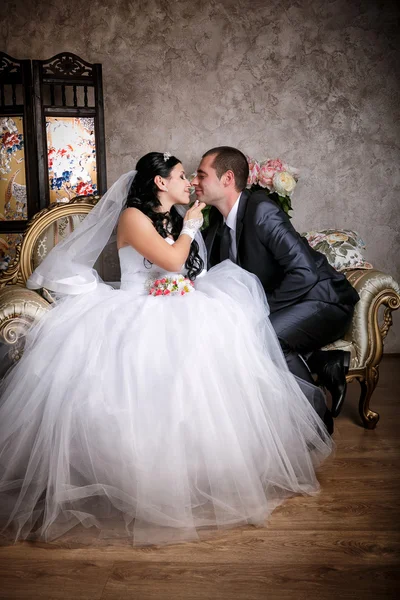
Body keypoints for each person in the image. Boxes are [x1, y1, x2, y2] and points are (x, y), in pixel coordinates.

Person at [0, 152, 332, 547]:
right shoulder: (133, 218)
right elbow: (173, 260)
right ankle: (141, 478)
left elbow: (191, 269)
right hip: (134, 311)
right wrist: (190, 229)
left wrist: (188, 245)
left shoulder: (174, 218)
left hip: (175, 303)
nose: (189, 181)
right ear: (160, 183)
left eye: (193, 176)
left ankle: (202, 470)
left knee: (212, 367)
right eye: (180, 176)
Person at [193, 147, 360, 428]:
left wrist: (257, 309)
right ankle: (326, 362)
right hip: (294, 304)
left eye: (201, 175)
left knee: (263, 335)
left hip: (325, 299)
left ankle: (318, 423)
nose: (194, 182)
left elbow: (305, 272)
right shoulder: (217, 228)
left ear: (227, 178)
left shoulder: (262, 211)